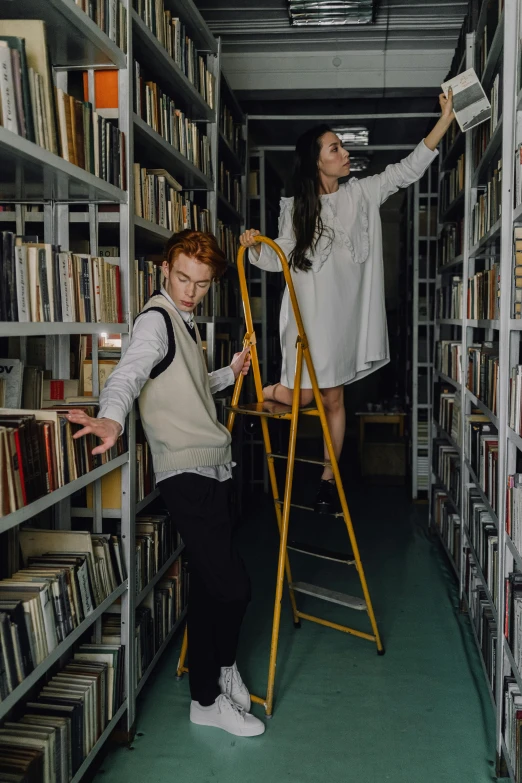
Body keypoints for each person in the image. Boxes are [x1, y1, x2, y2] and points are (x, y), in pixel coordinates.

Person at [66, 230, 265, 738]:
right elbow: (129, 373)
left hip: (210, 466)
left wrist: (229, 371)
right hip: (188, 473)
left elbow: (189, 386)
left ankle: (209, 689)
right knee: (235, 587)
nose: (189, 291)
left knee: (209, 585)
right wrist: (111, 417)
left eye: (200, 283)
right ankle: (215, 680)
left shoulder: (184, 322)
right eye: (182, 278)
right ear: (163, 270)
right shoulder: (156, 321)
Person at [240, 90, 454, 513]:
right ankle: (264, 392)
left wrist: (446, 118)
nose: (344, 152)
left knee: (334, 400)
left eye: (342, 145)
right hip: (307, 315)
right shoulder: (295, 207)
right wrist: (253, 245)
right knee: (302, 399)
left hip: (341, 318)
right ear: (317, 161)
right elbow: (279, 254)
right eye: (335, 147)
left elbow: (408, 168)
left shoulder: (362, 193)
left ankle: (327, 480)